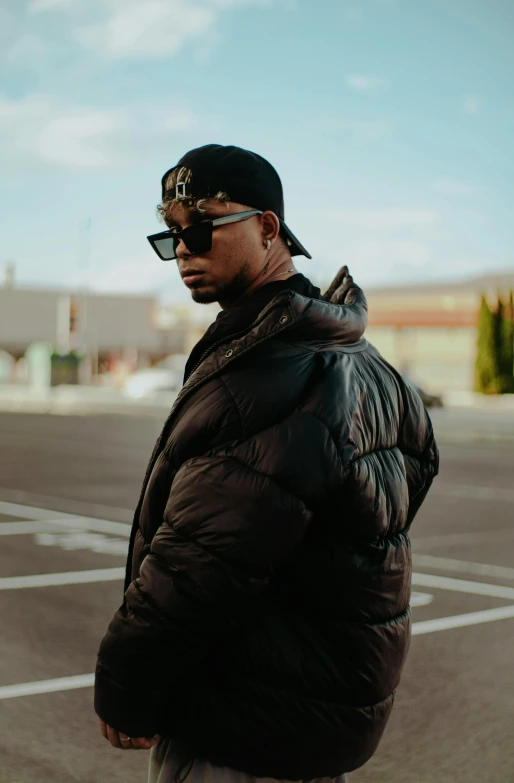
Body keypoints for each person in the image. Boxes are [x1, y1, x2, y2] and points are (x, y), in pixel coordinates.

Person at [94, 144, 439, 783]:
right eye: (171, 236)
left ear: (268, 228)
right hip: (303, 719)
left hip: (245, 728)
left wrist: (127, 681)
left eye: (200, 226)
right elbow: (414, 470)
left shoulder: (276, 373)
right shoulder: (356, 358)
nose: (184, 252)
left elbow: (199, 563)